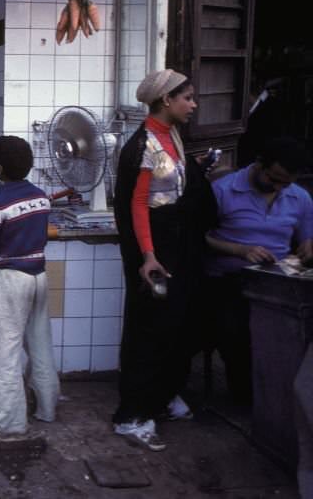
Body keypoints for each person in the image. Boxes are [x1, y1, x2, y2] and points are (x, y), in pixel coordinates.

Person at [112, 69, 215, 452]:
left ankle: (164, 395)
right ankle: (132, 415)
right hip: (155, 248)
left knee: (177, 323)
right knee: (149, 329)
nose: (193, 104)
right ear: (165, 101)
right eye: (186, 97)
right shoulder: (143, 146)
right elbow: (137, 203)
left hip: (178, 242)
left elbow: (171, 187)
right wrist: (148, 256)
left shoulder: (171, 137)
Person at [204, 136, 313, 406]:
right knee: (238, 332)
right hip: (228, 280)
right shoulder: (223, 190)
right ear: (259, 164)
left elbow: (306, 238)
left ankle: (285, 396)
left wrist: (308, 248)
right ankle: (251, 400)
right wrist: (240, 251)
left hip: (276, 279)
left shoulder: (299, 197)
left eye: (285, 184)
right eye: (273, 180)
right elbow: (199, 238)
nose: (278, 188)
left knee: (296, 328)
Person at [0, 136, 59, 437]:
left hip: (12, 278)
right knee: (40, 342)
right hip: (39, 276)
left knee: (5, 349)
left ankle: (5, 420)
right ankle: (47, 408)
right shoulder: (42, 197)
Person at [237, 77, 286, 167]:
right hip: (245, 151)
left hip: (259, 152)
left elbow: (273, 133)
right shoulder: (249, 103)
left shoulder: (272, 105)